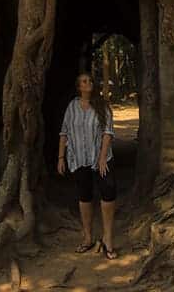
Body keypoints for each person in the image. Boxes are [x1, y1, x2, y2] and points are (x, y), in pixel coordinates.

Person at [57, 71, 118, 259]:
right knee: (84, 196)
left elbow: (108, 132)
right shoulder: (72, 107)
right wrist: (61, 158)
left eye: (90, 81)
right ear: (79, 87)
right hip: (79, 158)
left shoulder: (102, 106)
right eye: (84, 81)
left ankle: (107, 239)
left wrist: (101, 158)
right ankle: (88, 238)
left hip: (100, 158)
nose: (88, 83)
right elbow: (64, 132)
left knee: (107, 193)